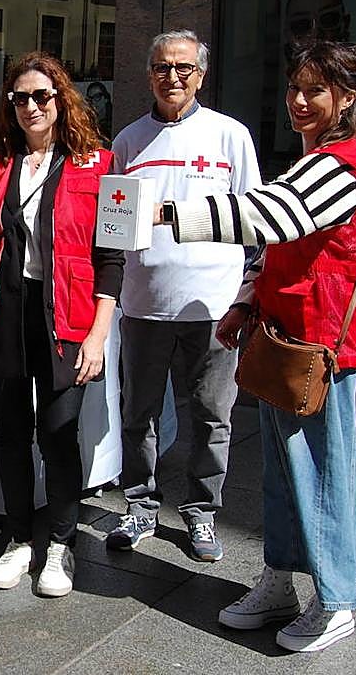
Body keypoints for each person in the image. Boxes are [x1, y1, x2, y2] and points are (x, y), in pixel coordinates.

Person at [154, 40, 356, 653]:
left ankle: (334, 602)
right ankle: (281, 581)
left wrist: (170, 212)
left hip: (320, 352)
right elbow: (279, 245)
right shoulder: (318, 160)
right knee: (284, 473)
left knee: (325, 475)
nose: (299, 101)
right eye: (294, 88)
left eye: (315, 91)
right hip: (284, 341)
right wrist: (246, 304)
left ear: (346, 98)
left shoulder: (343, 166)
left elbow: (274, 216)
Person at [0, 52, 122, 597]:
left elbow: (111, 255)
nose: (30, 107)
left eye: (41, 96)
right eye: (20, 98)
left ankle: (61, 544)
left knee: (58, 431)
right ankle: (20, 537)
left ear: (61, 100)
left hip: (67, 315)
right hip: (3, 310)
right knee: (9, 432)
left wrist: (99, 333)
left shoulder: (96, 163)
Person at [106, 30, 262, 562]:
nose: (172, 77)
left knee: (212, 416)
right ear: (148, 72)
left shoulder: (230, 136)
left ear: (201, 74)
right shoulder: (127, 141)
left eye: (184, 68)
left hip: (212, 305)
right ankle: (139, 506)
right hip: (143, 301)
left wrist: (245, 295)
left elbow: (252, 217)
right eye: (162, 67)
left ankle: (201, 514)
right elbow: (114, 224)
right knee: (138, 414)